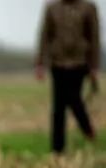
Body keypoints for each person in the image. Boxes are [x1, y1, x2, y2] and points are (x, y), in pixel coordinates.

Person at [36, 0, 100, 154]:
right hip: (57, 63)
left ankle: (86, 126)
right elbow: (44, 35)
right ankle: (57, 149)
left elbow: (94, 37)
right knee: (58, 107)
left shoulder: (88, 8)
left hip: (80, 62)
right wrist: (40, 63)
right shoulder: (52, 8)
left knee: (73, 98)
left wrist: (94, 67)